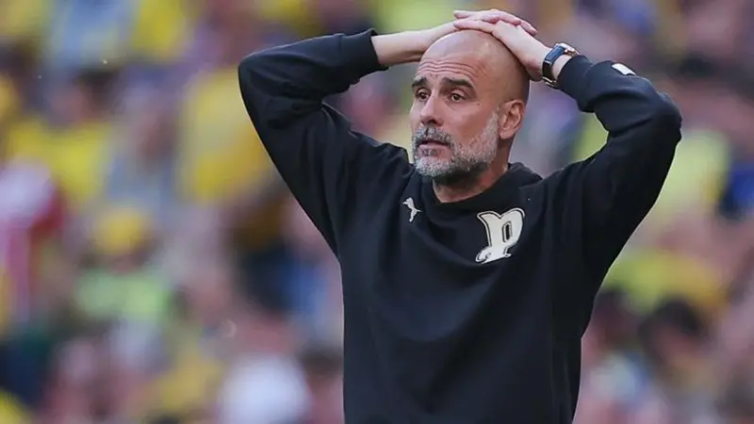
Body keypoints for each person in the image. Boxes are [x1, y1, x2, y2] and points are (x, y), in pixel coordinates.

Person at [238, 8, 682, 424]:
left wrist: (549, 61)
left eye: (456, 95)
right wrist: (421, 43)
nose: (430, 113)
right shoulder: (371, 193)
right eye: (421, 93)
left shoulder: (558, 218)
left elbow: (652, 120)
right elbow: (266, 77)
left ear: (509, 119)